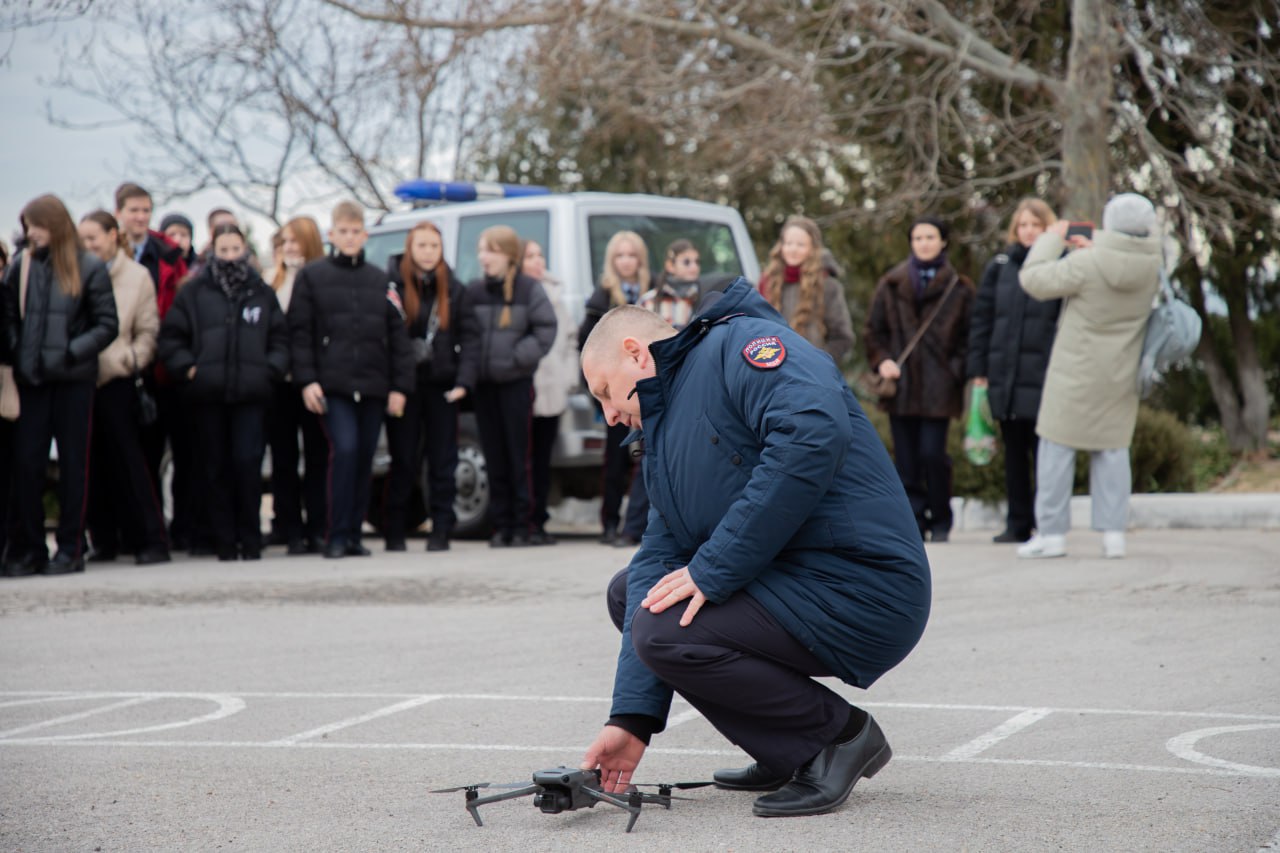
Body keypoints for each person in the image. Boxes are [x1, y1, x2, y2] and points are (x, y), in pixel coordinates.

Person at [577, 279, 930, 818]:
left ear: (634, 352)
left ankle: (837, 738)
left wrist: (712, 570)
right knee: (634, 595)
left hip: (863, 583)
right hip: (798, 581)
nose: (608, 414)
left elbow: (811, 433)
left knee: (665, 626)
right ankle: (785, 748)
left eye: (605, 391)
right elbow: (657, 556)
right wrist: (630, 719)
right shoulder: (666, 429)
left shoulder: (743, 346)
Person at [1016, 193, 1163, 560]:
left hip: (1074, 370)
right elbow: (1121, 258)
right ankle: (1114, 535)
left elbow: (1033, 279)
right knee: (1113, 451)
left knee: (1055, 448)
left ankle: (1052, 535)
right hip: (1120, 372)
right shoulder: (1154, 264)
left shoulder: (1087, 262)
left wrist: (1053, 237)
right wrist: (1094, 245)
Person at [288, 201, 414, 560]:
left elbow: (398, 338)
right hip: (333, 386)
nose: (349, 237)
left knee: (363, 457)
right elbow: (299, 333)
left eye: (355, 231)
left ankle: (354, 534)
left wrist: (399, 387)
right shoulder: (312, 277)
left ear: (365, 234)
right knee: (344, 451)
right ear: (331, 235)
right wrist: (307, 380)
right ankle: (335, 534)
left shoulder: (380, 280)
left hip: (373, 386)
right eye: (342, 231)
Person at [1, 195, 118, 576]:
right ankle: (31, 548)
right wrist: (21, 356)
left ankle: (70, 548)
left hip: (73, 382)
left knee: (73, 466)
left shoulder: (89, 267)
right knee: (28, 466)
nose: (30, 232)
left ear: (53, 224)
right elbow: (9, 320)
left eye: (35, 224)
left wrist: (70, 352)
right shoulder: (22, 266)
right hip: (32, 381)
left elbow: (106, 324)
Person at [158, 224, 289, 561]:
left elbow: (279, 339)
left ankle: (250, 536)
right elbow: (172, 338)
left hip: (251, 395)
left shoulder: (260, 291)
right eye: (224, 250)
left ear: (245, 250)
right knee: (214, 467)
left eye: (236, 249)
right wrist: (189, 368)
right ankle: (223, 539)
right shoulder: (194, 292)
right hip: (208, 395)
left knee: (248, 464)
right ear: (212, 250)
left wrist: (268, 370)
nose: (231, 256)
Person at [864, 216, 975, 543]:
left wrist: (956, 369)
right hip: (903, 386)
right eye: (918, 237)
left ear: (943, 242)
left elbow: (971, 336)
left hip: (940, 387)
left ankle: (941, 517)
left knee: (932, 453)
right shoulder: (892, 283)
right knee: (906, 456)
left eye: (930, 236)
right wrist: (882, 360)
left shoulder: (960, 287)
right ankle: (913, 519)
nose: (924, 243)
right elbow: (873, 331)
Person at [446, 225, 556, 547]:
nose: (484, 257)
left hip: (516, 384)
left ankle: (522, 524)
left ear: (509, 255)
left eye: (491, 250)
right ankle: (501, 525)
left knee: (517, 455)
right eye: (481, 250)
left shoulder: (528, 289)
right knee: (493, 455)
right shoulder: (475, 291)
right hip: (484, 387)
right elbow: (464, 333)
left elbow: (546, 329)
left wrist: (516, 359)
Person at [967, 199, 1062, 544]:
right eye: (1022, 225)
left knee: (1045, 456)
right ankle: (1017, 523)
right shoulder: (1000, 266)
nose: (1027, 231)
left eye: (1034, 225)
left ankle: (1046, 523)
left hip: (1045, 377)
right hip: (1005, 377)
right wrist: (979, 369)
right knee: (1013, 456)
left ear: (1046, 228)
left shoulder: (1059, 264)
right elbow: (982, 321)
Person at [77, 210, 170, 565]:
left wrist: (131, 358)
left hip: (119, 379)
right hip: (81, 377)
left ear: (113, 235)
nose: (88, 246)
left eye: (93, 238)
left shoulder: (136, 276)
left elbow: (148, 330)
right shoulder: (76, 273)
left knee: (130, 462)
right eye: (82, 239)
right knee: (91, 462)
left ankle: (149, 539)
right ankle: (103, 538)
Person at [114, 183, 199, 552]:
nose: (140, 217)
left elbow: (180, 306)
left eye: (146, 210)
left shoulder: (167, 252)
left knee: (182, 452)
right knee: (135, 456)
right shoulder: (108, 249)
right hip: (125, 365)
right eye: (134, 210)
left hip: (166, 367)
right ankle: (131, 533)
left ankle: (180, 529)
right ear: (119, 212)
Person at [383, 222, 465, 553]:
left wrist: (463, 381)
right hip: (404, 386)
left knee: (443, 459)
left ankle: (441, 528)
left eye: (434, 246)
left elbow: (467, 336)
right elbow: (387, 338)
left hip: (442, 386)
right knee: (403, 458)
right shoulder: (393, 286)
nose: (429, 252)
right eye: (422, 246)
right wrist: (392, 384)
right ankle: (394, 529)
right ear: (410, 248)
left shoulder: (454, 288)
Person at [578, 230, 652, 544]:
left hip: (648, 392)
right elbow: (587, 348)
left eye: (631, 255)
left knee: (649, 460)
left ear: (640, 259)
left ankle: (643, 524)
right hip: (616, 395)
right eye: (620, 255)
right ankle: (609, 522)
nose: (626, 261)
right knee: (615, 461)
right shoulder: (601, 298)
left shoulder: (653, 293)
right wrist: (603, 398)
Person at [266, 216, 328, 555]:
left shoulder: (321, 279)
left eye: (295, 241)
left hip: (314, 382)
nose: (289, 248)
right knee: (283, 457)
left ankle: (318, 526)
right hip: (279, 384)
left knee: (317, 456)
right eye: (285, 242)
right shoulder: (271, 281)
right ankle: (288, 526)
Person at [523, 237, 578, 546]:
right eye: (530, 256)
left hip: (552, 388)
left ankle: (539, 521)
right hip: (524, 386)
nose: (537, 261)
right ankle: (524, 520)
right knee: (523, 458)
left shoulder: (554, 294)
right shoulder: (517, 292)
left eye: (540, 255)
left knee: (543, 459)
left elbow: (570, 339)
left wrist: (568, 376)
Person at [758, 216, 855, 364]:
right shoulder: (767, 281)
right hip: (771, 372)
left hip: (810, 374)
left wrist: (819, 363)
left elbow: (842, 337)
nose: (793, 249)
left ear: (812, 249)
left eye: (801, 244)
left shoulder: (827, 285)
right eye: (788, 243)